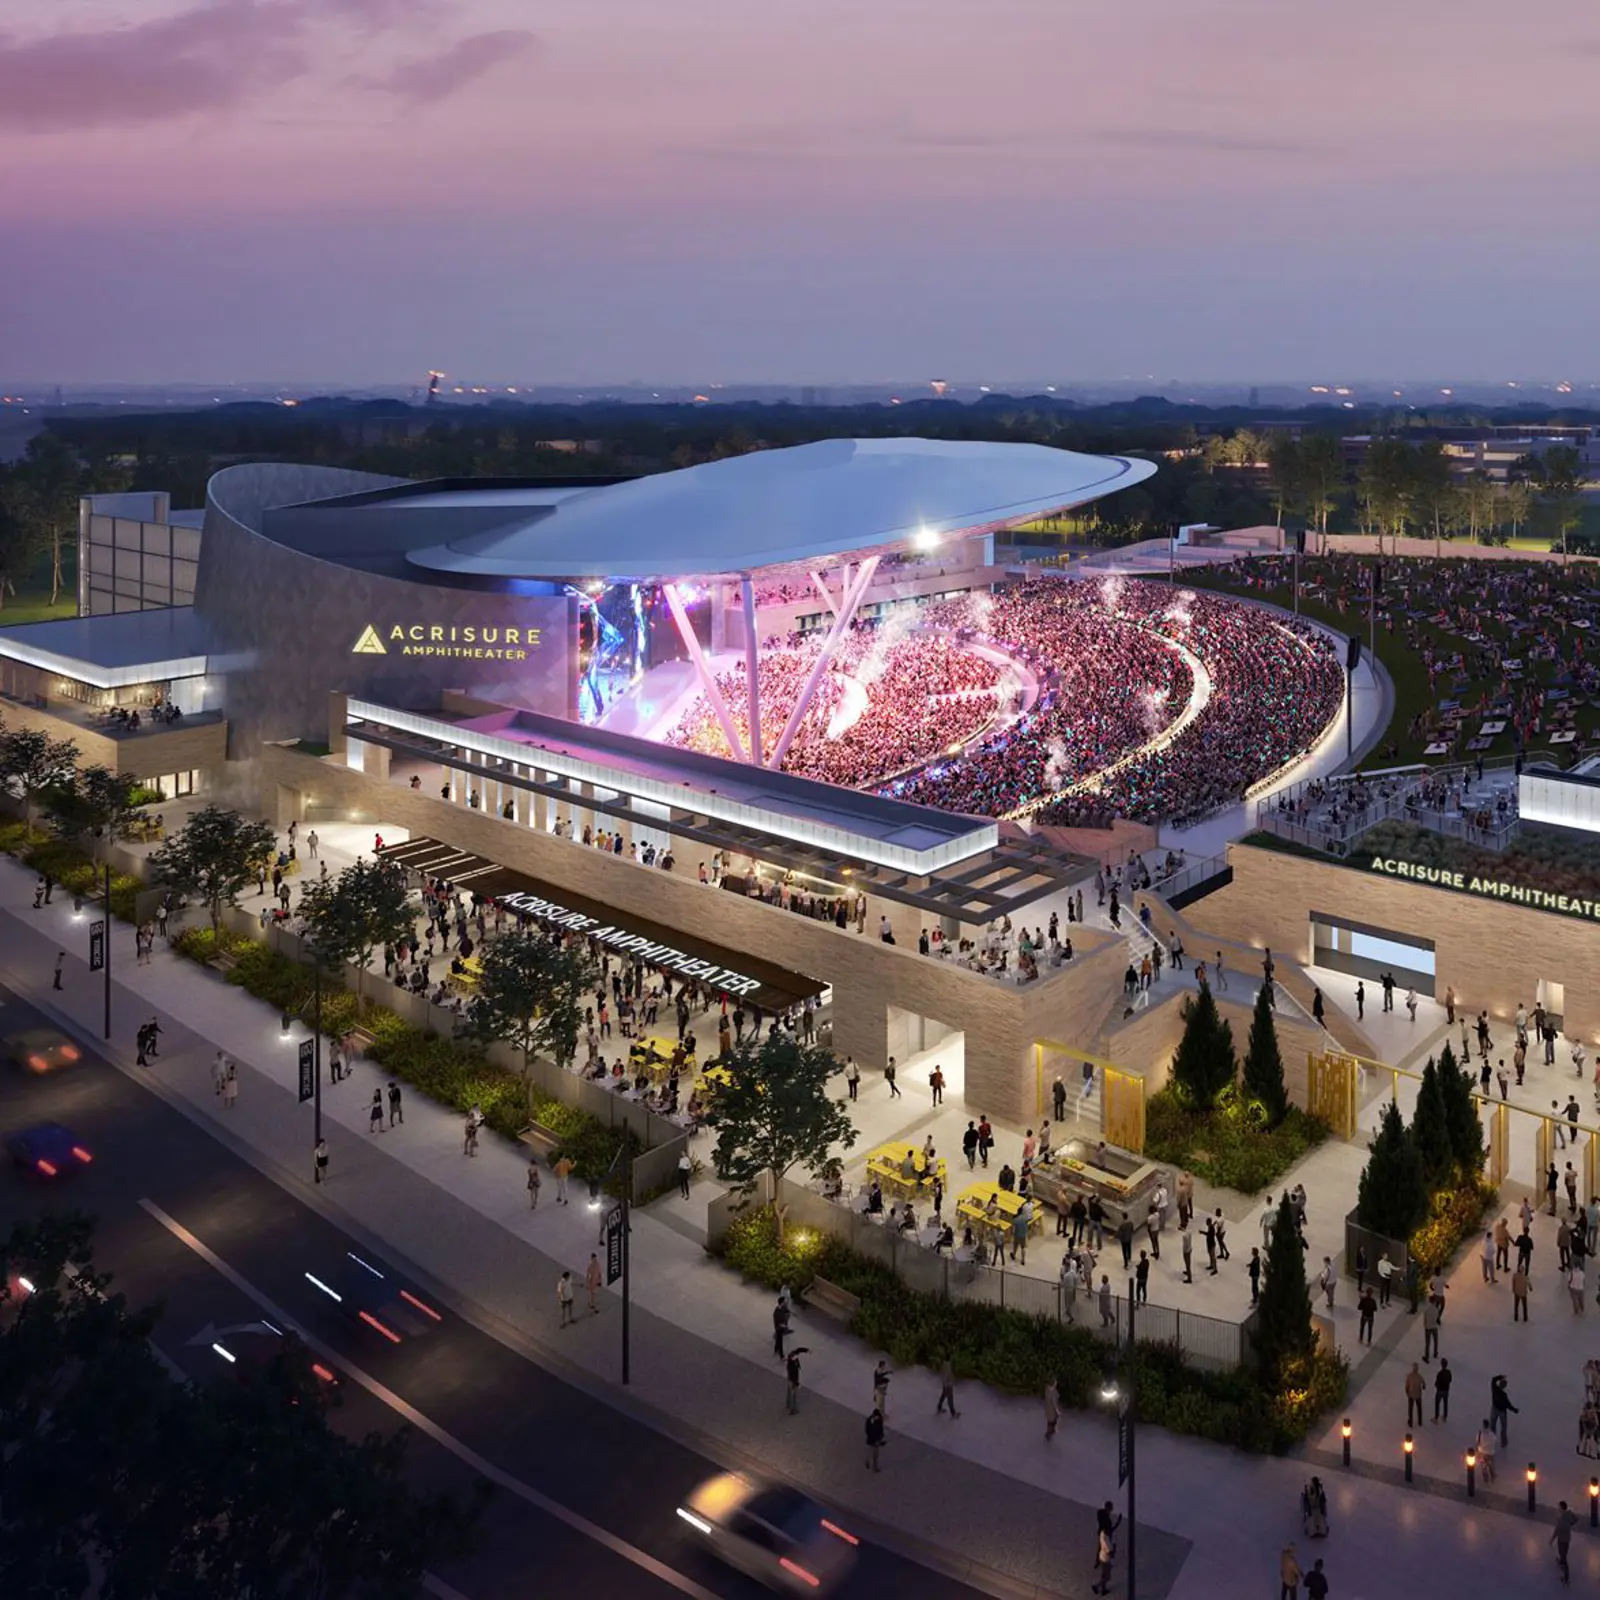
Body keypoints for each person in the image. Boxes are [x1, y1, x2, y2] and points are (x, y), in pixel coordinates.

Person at [1552, 1500, 1578, 1583]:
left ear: (1561, 1508)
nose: (1558, 1508)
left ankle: (1566, 1577)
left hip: (1562, 1539)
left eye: (1559, 1507)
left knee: (1563, 1555)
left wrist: (1552, 1539)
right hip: (1567, 1538)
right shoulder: (1569, 1513)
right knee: (1562, 1552)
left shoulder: (1560, 1519)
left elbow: (1557, 1530)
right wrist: (1570, 1524)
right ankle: (1561, 1561)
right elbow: (1576, 1519)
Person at [1490, 1373, 1517, 1444]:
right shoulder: (1504, 1395)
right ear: (1504, 1387)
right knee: (1503, 1427)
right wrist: (1514, 1410)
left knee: (1492, 1425)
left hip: (1494, 1409)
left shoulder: (1494, 1388)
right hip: (1502, 1412)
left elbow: (1493, 1379)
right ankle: (1503, 1441)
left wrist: (1501, 1376)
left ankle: (1491, 1440)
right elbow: (1508, 1405)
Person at [785, 1345, 810, 1415]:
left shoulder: (792, 1355)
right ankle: (793, 1409)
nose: (796, 1357)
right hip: (792, 1381)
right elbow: (794, 1376)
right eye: (794, 1357)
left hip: (790, 1379)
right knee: (794, 1395)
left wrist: (806, 1350)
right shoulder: (792, 1367)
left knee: (789, 1392)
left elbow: (799, 1349)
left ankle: (788, 1404)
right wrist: (796, 1383)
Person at [864, 1406, 886, 1471]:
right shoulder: (869, 1420)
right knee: (871, 1452)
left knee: (875, 1454)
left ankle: (874, 1466)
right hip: (871, 1439)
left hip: (876, 1440)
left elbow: (880, 1430)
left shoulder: (878, 1421)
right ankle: (868, 1462)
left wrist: (880, 1437)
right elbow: (867, 1430)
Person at [1404, 1362, 1424, 1428]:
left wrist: (1407, 1392)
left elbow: (1407, 1386)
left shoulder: (1409, 1376)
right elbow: (1423, 1383)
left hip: (1411, 1394)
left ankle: (1410, 1421)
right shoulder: (1419, 1376)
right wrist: (1423, 1387)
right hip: (1418, 1394)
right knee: (1419, 1408)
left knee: (1410, 1408)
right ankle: (1420, 1421)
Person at [1043, 1376, 1060, 1440]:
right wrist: (1057, 1411)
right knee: (1053, 1421)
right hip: (1052, 1410)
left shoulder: (1047, 1389)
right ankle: (1050, 1433)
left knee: (1049, 1421)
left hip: (1047, 1408)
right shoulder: (1053, 1393)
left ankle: (1049, 1432)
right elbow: (1054, 1403)